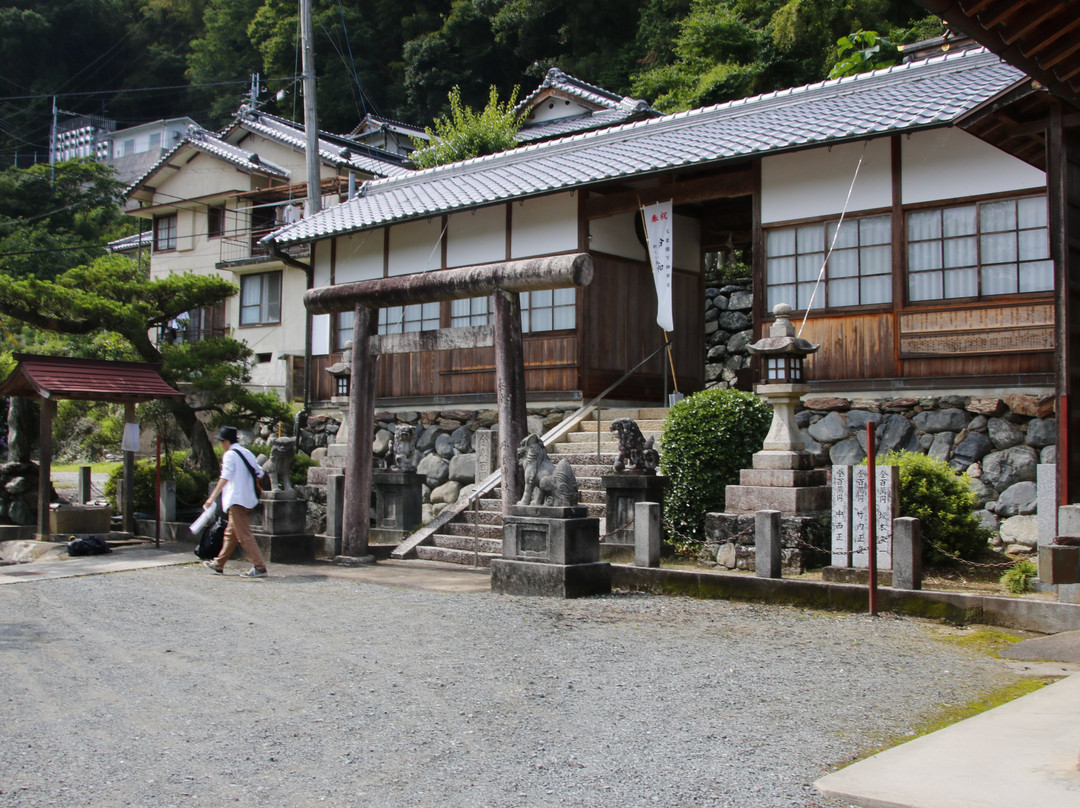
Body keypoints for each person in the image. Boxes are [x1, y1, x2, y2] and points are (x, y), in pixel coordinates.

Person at [202, 425, 268, 578]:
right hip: (248, 498)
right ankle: (219, 564)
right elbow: (260, 471)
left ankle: (260, 567)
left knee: (244, 535)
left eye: (221, 441)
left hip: (236, 499)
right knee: (231, 533)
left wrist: (212, 497)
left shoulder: (230, 455)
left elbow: (225, 477)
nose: (221, 444)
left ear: (226, 441)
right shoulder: (246, 453)